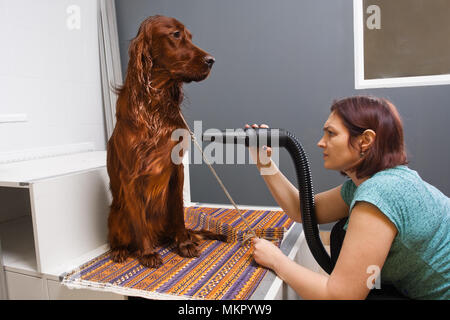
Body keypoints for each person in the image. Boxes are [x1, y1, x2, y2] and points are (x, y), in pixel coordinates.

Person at [246, 95, 449, 300]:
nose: (320, 143)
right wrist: (264, 163)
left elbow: (341, 297)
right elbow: (304, 211)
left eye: (331, 134)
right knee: (341, 234)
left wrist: (276, 260)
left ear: (365, 140)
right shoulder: (370, 183)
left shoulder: (380, 192)